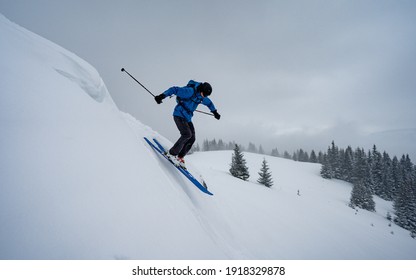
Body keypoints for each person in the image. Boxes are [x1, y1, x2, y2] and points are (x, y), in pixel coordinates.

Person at [154, 80, 221, 168]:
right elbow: (174, 89)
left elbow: (209, 103)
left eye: (205, 96)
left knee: (192, 138)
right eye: (204, 94)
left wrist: (215, 112)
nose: (204, 97)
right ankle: (171, 154)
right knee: (186, 134)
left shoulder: (201, 96)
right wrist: (161, 96)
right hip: (179, 114)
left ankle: (180, 157)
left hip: (187, 118)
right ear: (201, 90)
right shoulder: (190, 91)